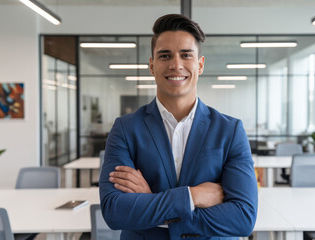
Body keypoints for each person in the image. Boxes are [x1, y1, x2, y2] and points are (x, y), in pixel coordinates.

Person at [99, 14, 258, 240]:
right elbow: (115, 211)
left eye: (186, 55)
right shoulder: (125, 128)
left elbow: (243, 218)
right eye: (165, 56)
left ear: (200, 65)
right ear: (152, 66)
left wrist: (151, 200)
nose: (176, 64)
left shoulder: (230, 130)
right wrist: (192, 197)